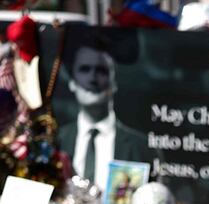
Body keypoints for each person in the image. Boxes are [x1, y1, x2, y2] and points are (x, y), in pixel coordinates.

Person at [57, 37, 147, 191]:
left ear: (114, 82)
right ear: (72, 82)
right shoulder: (56, 142)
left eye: (101, 71)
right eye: (84, 69)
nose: (92, 79)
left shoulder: (141, 147)